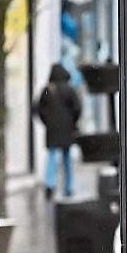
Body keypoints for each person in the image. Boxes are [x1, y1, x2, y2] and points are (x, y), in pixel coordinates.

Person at [34, 63, 82, 199]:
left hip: (52, 130)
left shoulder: (48, 90)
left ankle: (50, 184)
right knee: (67, 159)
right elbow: (77, 109)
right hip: (67, 130)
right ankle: (68, 187)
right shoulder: (69, 90)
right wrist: (72, 122)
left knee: (52, 156)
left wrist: (47, 122)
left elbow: (39, 109)